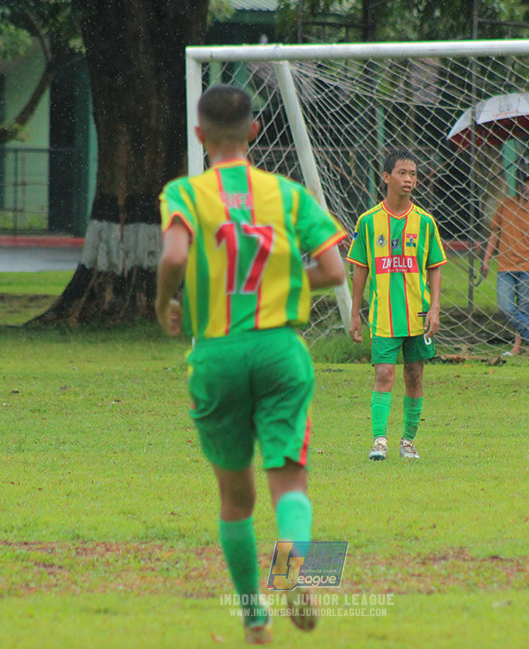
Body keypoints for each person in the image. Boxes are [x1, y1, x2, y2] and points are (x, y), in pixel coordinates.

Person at [155, 84, 347, 644]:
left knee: (235, 497)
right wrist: (285, 285)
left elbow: (173, 255)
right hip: (279, 349)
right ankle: (293, 573)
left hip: (216, 352)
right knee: (289, 481)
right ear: (255, 132)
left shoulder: (186, 193)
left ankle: (254, 618)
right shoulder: (286, 195)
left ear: (200, 136)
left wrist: (165, 300)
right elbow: (334, 270)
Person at [347, 149, 447, 462]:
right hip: (383, 315)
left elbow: (435, 266)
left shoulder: (426, 223)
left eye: (413, 174)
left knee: (414, 375)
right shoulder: (367, 222)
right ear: (386, 177)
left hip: (418, 314)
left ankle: (408, 441)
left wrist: (435, 308)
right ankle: (379, 441)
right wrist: (354, 312)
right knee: (385, 373)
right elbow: (360, 267)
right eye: (402, 173)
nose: (409, 179)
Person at [480, 170, 529, 357]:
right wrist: (486, 260)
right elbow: (494, 233)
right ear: (519, 185)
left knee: (524, 310)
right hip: (505, 266)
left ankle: (520, 348)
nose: (528, 189)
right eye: (525, 184)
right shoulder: (505, 205)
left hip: (528, 267)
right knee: (506, 306)